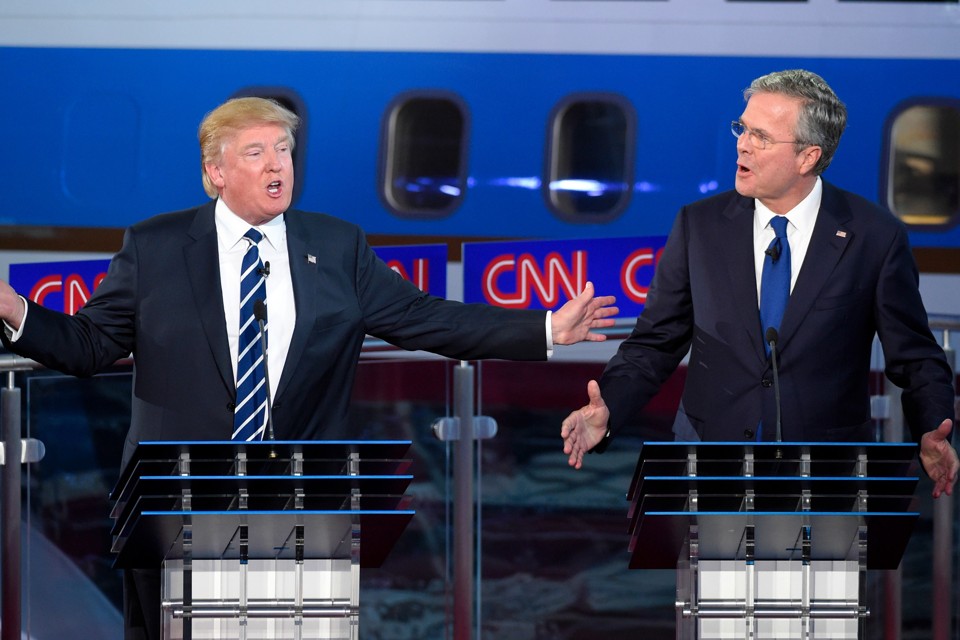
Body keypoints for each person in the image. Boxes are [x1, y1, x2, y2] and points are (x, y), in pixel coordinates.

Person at [0, 97, 617, 640]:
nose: (277, 164)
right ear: (216, 173)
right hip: (179, 508)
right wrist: (11, 307)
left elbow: (425, 318)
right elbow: (88, 344)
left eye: (285, 149)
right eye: (256, 152)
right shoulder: (155, 248)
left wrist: (543, 329)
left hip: (300, 509)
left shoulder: (336, 246)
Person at [561, 69, 958, 499]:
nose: (742, 144)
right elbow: (654, 342)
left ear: (808, 156)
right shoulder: (700, 225)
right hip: (710, 468)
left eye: (761, 136)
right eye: (743, 128)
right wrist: (610, 409)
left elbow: (916, 356)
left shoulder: (873, 236)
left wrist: (930, 428)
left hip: (825, 476)